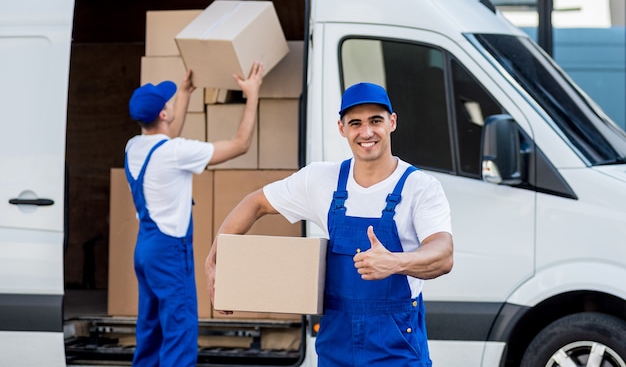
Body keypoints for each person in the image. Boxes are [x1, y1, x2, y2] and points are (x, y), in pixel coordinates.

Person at [205, 81, 454, 366]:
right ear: (342, 128)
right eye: (355, 123)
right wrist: (215, 258)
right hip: (336, 345)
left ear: (392, 122)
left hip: (394, 345)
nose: (366, 132)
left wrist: (396, 262)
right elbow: (255, 203)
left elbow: (443, 253)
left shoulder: (420, 187)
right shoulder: (320, 180)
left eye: (376, 121)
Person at [124, 62, 263, 367]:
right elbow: (241, 145)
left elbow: (166, 136)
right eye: (168, 101)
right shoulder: (175, 153)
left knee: (150, 331)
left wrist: (185, 93)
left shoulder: (134, 147)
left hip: (145, 250)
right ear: (162, 114)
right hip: (170, 253)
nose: (172, 103)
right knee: (179, 332)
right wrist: (252, 94)